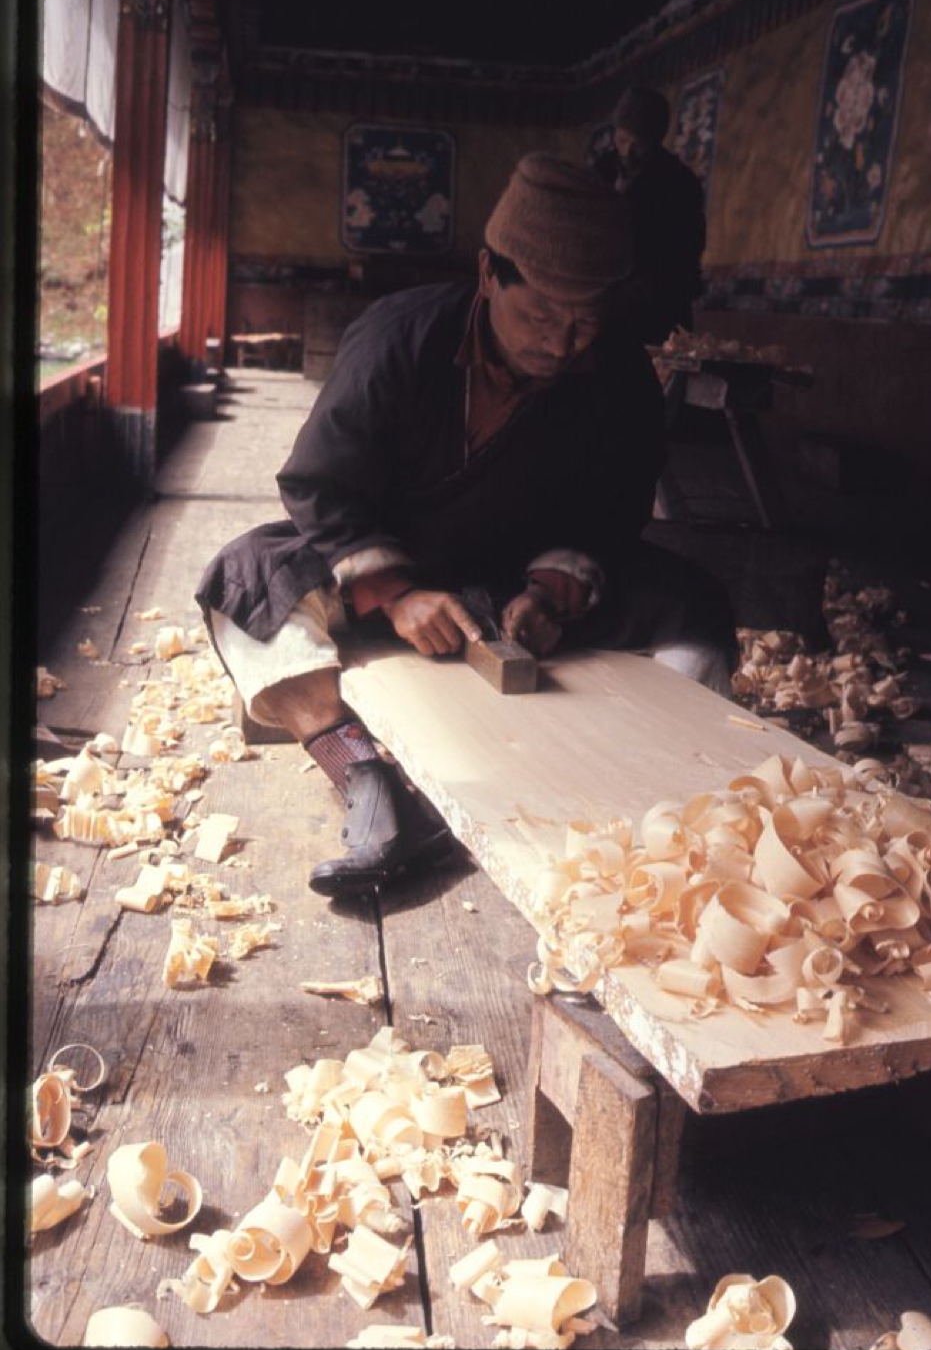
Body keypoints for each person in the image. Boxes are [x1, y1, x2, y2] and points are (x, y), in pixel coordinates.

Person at [196, 153, 735, 902]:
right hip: (391, 560)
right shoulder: (399, 338)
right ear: (489, 274)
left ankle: (656, 798)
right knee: (244, 582)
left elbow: (613, 513)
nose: (561, 342)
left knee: (696, 607)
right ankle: (370, 783)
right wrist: (398, 591)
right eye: (540, 314)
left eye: (585, 321)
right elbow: (318, 483)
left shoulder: (620, 379)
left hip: (511, 574)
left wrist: (550, 591)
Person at [595, 86, 707, 345]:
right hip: (601, 304)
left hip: (657, 311)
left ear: (656, 141)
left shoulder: (680, 184)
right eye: (623, 141)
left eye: (641, 145)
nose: (629, 152)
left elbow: (687, 252)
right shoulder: (600, 173)